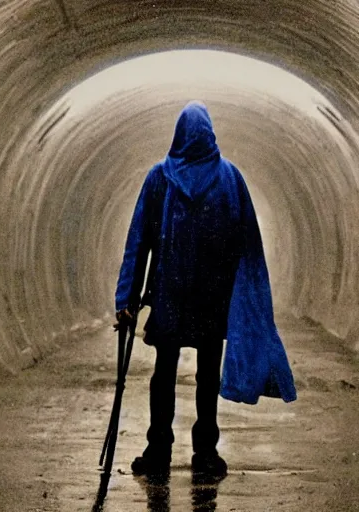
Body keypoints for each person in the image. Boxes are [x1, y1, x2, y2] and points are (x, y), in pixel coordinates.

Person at [114, 101, 296, 477]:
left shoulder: (160, 177)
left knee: (164, 373)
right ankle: (206, 453)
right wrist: (247, 297)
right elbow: (248, 245)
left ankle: (158, 449)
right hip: (213, 297)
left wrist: (128, 299)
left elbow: (139, 241)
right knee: (207, 375)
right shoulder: (230, 178)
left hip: (169, 295)